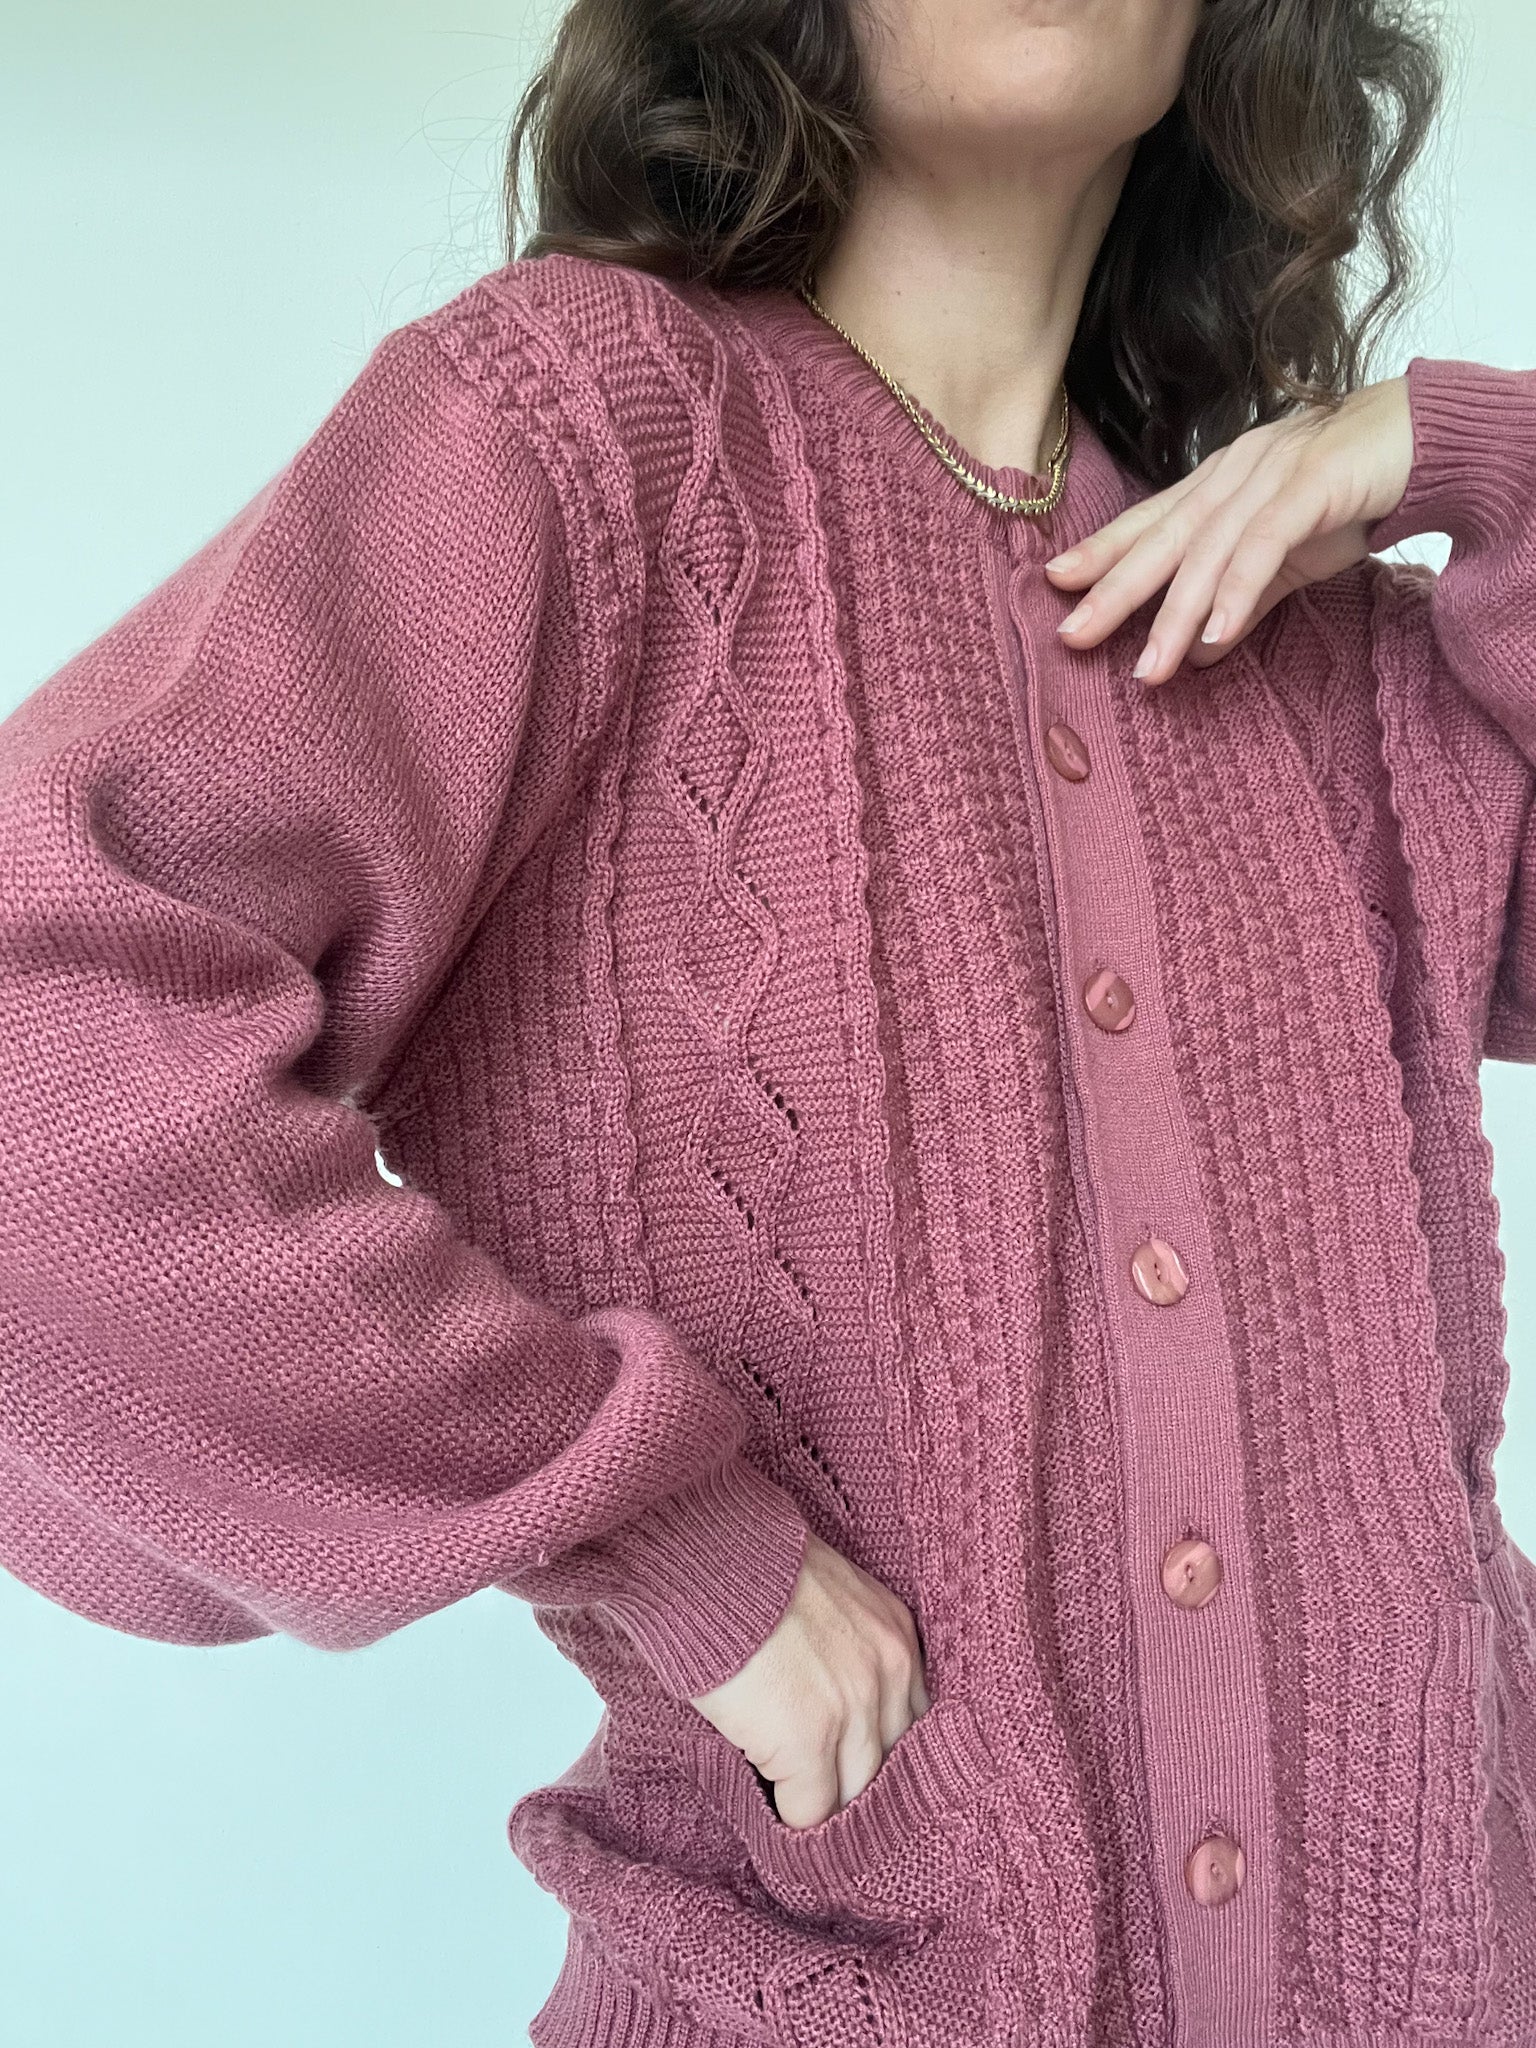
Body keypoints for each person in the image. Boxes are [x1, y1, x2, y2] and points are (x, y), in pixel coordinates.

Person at [4, 0, 1535, 2042]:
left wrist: (1467, 448)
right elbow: (45, 1036)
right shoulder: (586, 437)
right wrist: (643, 1521)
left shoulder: (1308, 628)